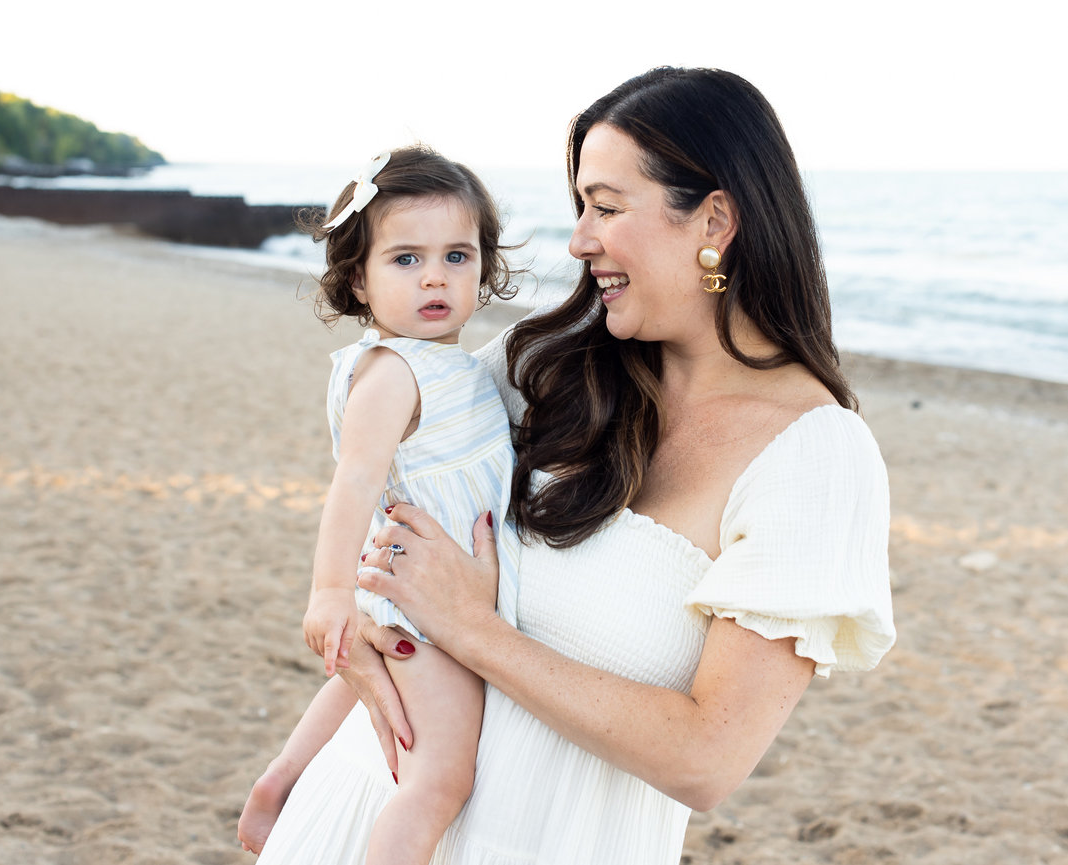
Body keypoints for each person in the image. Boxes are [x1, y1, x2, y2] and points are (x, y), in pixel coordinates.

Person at [251, 66, 896, 865]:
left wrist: (473, 630)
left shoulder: (814, 457)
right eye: (580, 206)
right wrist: (319, 710)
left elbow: (706, 758)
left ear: (714, 220)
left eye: (606, 206)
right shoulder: (543, 368)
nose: (578, 238)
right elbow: (376, 470)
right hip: (355, 814)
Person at [237, 145, 521, 863]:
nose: (435, 275)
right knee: (440, 781)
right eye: (405, 259)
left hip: (414, 589)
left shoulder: (436, 363)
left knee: (363, 691)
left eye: (457, 255)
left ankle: (280, 779)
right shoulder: (396, 370)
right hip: (424, 607)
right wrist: (329, 592)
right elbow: (354, 482)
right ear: (357, 280)